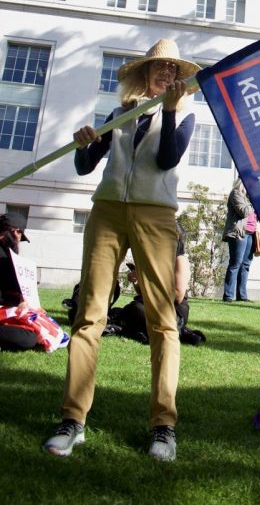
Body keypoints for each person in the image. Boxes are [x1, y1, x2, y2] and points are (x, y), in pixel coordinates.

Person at [42, 39, 199, 462]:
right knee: (89, 314)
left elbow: (167, 159)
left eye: (173, 69)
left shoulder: (185, 116)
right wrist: (84, 142)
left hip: (156, 216)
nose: (166, 74)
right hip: (107, 213)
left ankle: (163, 427)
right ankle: (73, 420)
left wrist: (168, 110)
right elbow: (86, 165)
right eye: (158, 67)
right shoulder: (118, 115)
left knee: (164, 321)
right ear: (144, 74)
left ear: (179, 80)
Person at [121, 224, 206, 346]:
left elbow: (178, 296)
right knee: (134, 308)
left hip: (174, 308)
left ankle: (176, 331)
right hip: (153, 304)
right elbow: (142, 292)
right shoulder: (155, 259)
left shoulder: (180, 261)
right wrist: (137, 281)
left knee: (137, 310)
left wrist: (150, 286)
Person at [0, 213, 37, 351]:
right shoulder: (4, 258)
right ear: (16, 232)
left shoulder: (6, 256)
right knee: (29, 337)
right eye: (20, 236)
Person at [222, 178, 255, 303]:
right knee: (235, 263)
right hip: (238, 233)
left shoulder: (247, 197)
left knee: (245, 265)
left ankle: (242, 295)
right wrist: (253, 202)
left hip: (250, 233)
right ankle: (228, 295)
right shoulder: (236, 194)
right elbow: (244, 212)